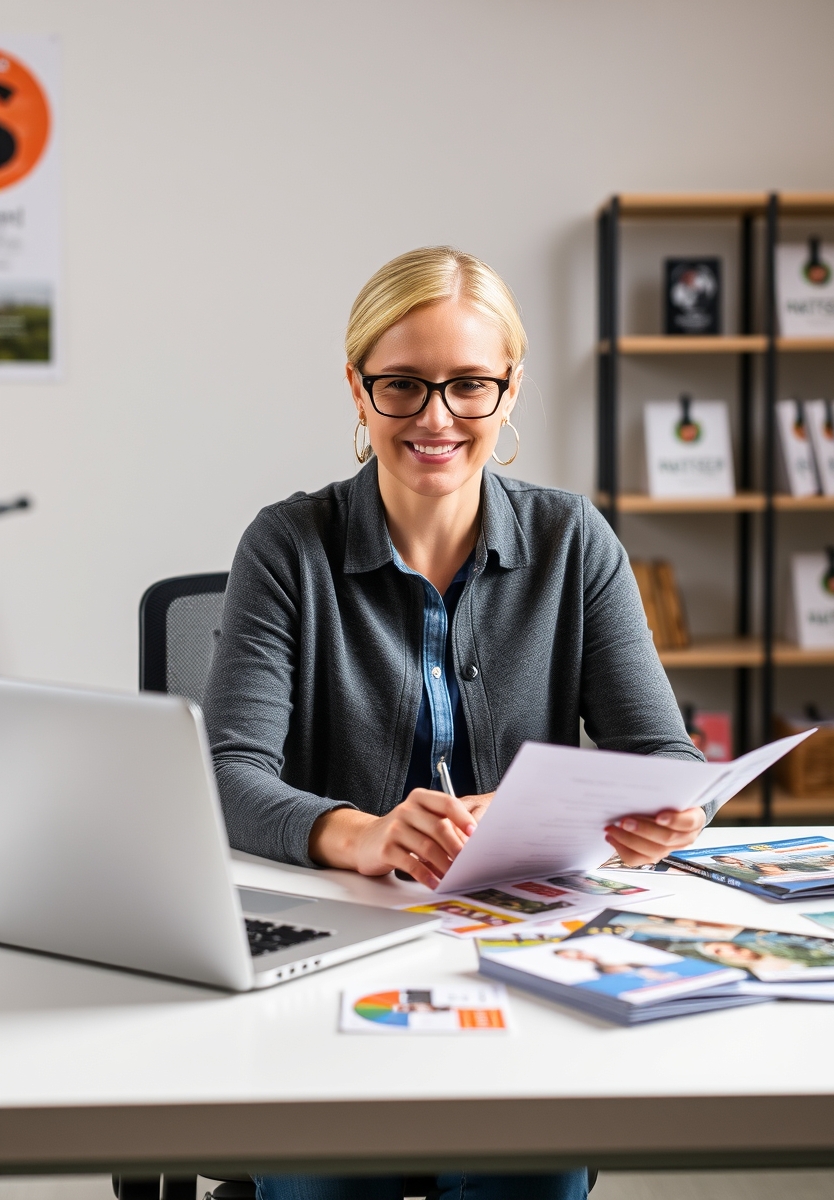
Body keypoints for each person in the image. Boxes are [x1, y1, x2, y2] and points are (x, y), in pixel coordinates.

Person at [204, 246, 710, 1200]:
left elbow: (664, 757)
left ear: (509, 392)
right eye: (403, 385)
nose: (437, 418)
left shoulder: (573, 541)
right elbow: (229, 773)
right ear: (358, 392)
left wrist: (667, 812)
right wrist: (363, 832)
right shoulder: (286, 546)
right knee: (322, 1182)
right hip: (332, 958)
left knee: (531, 1169)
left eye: (470, 386)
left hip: (521, 956)